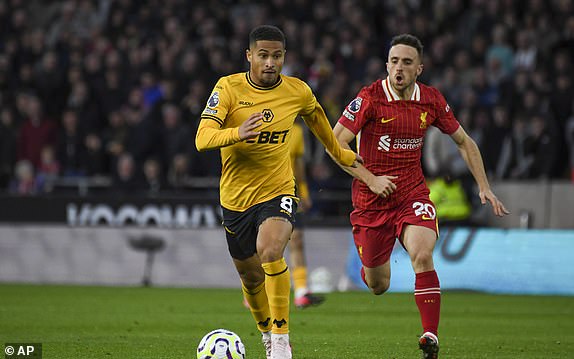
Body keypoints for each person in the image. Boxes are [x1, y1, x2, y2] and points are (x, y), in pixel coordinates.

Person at [332, 34, 509, 359]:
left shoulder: (431, 100)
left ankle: (430, 336)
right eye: (394, 61)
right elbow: (335, 143)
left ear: (420, 69)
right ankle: (369, 268)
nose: (399, 68)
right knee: (378, 284)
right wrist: (370, 179)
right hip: (371, 201)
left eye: (407, 62)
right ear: (387, 64)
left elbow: (464, 142)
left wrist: (484, 185)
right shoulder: (369, 98)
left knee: (422, 255)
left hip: (412, 193)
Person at [195, 25, 360, 359]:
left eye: (277, 55)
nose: (270, 62)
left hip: (278, 190)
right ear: (249, 56)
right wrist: (236, 132)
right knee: (251, 277)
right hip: (236, 199)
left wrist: (340, 153)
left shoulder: (296, 91)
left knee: (270, 250)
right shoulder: (228, 88)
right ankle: (267, 334)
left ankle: (281, 343)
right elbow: (202, 138)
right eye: (263, 55)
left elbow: (317, 117)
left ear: (284, 57)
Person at [288, 118, 325, 308]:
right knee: (268, 244)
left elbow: (299, 165)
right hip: (267, 190)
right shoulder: (266, 123)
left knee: (297, 239)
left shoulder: (296, 131)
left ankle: (301, 291)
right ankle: (257, 291)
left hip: (291, 191)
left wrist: (303, 192)